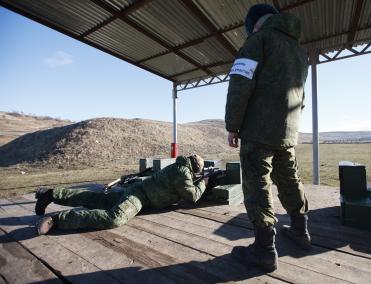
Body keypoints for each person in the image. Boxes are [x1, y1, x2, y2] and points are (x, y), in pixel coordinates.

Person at [225, 4, 310, 272]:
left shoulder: (258, 41)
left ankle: (263, 250)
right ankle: (301, 231)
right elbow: (300, 95)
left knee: (257, 182)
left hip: (258, 129)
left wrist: (233, 125)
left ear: (255, 25)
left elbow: (240, 84)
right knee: (289, 178)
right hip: (287, 131)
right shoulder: (299, 51)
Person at [35, 155, 207, 235]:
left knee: (95, 199)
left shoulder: (179, 167)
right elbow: (192, 196)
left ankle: (50, 194)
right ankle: (58, 221)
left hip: (139, 192)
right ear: (196, 168)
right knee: (114, 218)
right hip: (139, 197)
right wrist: (204, 182)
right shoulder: (183, 172)